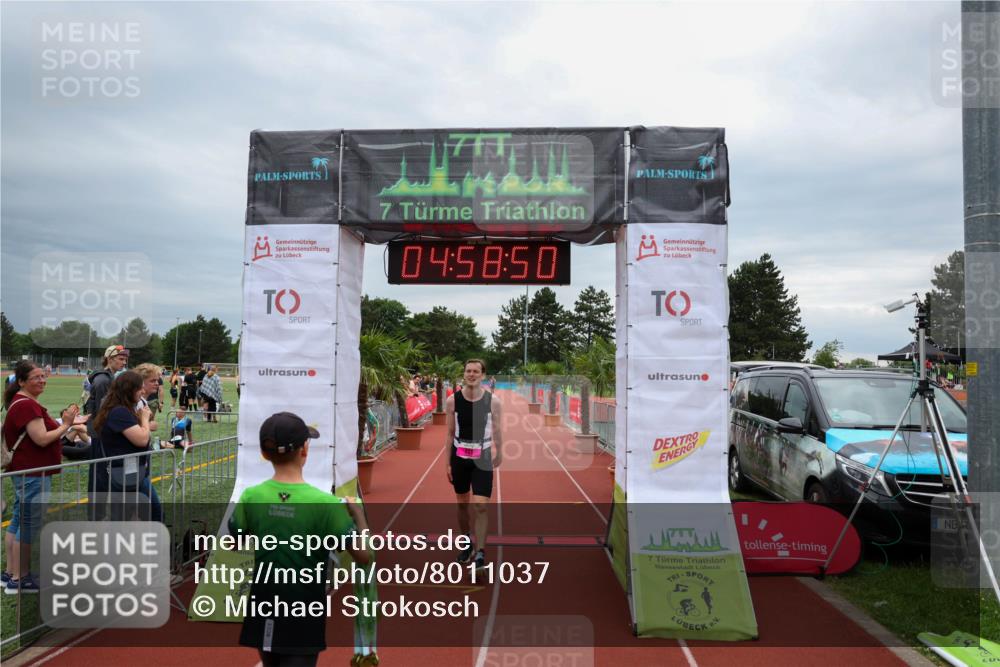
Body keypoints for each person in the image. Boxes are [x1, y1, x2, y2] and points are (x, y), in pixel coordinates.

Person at [230, 412, 372, 667]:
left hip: (263, 606)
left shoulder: (251, 497)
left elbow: (236, 540)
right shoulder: (326, 504)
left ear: (264, 453)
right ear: (305, 450)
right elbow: (364, 556)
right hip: (304, 612)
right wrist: (359, 517)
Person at [2, 360, 79, 594]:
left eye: (43, 376)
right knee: (28, 524)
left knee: (19, 519)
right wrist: (66, 425)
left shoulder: (21, 403)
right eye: (36, 377)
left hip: (28, 471)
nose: (42, 380)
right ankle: (20, 577)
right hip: (33, 472)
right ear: (22, 381)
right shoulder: (26, 405)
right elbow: (43, 439)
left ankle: (11, 573)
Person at [444, 359, 503, 570]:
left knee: (480, 505)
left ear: (483, 375)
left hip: (483, 457)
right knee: (462, 504)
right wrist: (447, 464)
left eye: (476, 371)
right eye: (468, 371)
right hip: (459, 458)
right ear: (464, 374)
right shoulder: (453, 401)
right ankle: (467, 543)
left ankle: (480, 553)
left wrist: (500, 451)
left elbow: (497, 429)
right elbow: (450, 433)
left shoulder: (493, 401)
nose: (471, 374)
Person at [91, 371, 157, 521]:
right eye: (140, 388)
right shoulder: (119, 412)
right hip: (125, 472)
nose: (143, 391)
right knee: (149, 512)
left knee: (128, 515)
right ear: (129, 390)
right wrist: (145, 420)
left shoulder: (122, 410)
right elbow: (141, 439)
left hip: (131, 471)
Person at [85, 345, 129, 519]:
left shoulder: (108, 377)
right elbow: (103, 411)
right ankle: (97, 515)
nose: (124, 362)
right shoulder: (103, 380)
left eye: (125, 359)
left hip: (102, 434)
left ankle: (99, 513)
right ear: (109, 359)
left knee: (102, 474)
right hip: (101, 435)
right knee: (100, 476)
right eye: (120, 358)